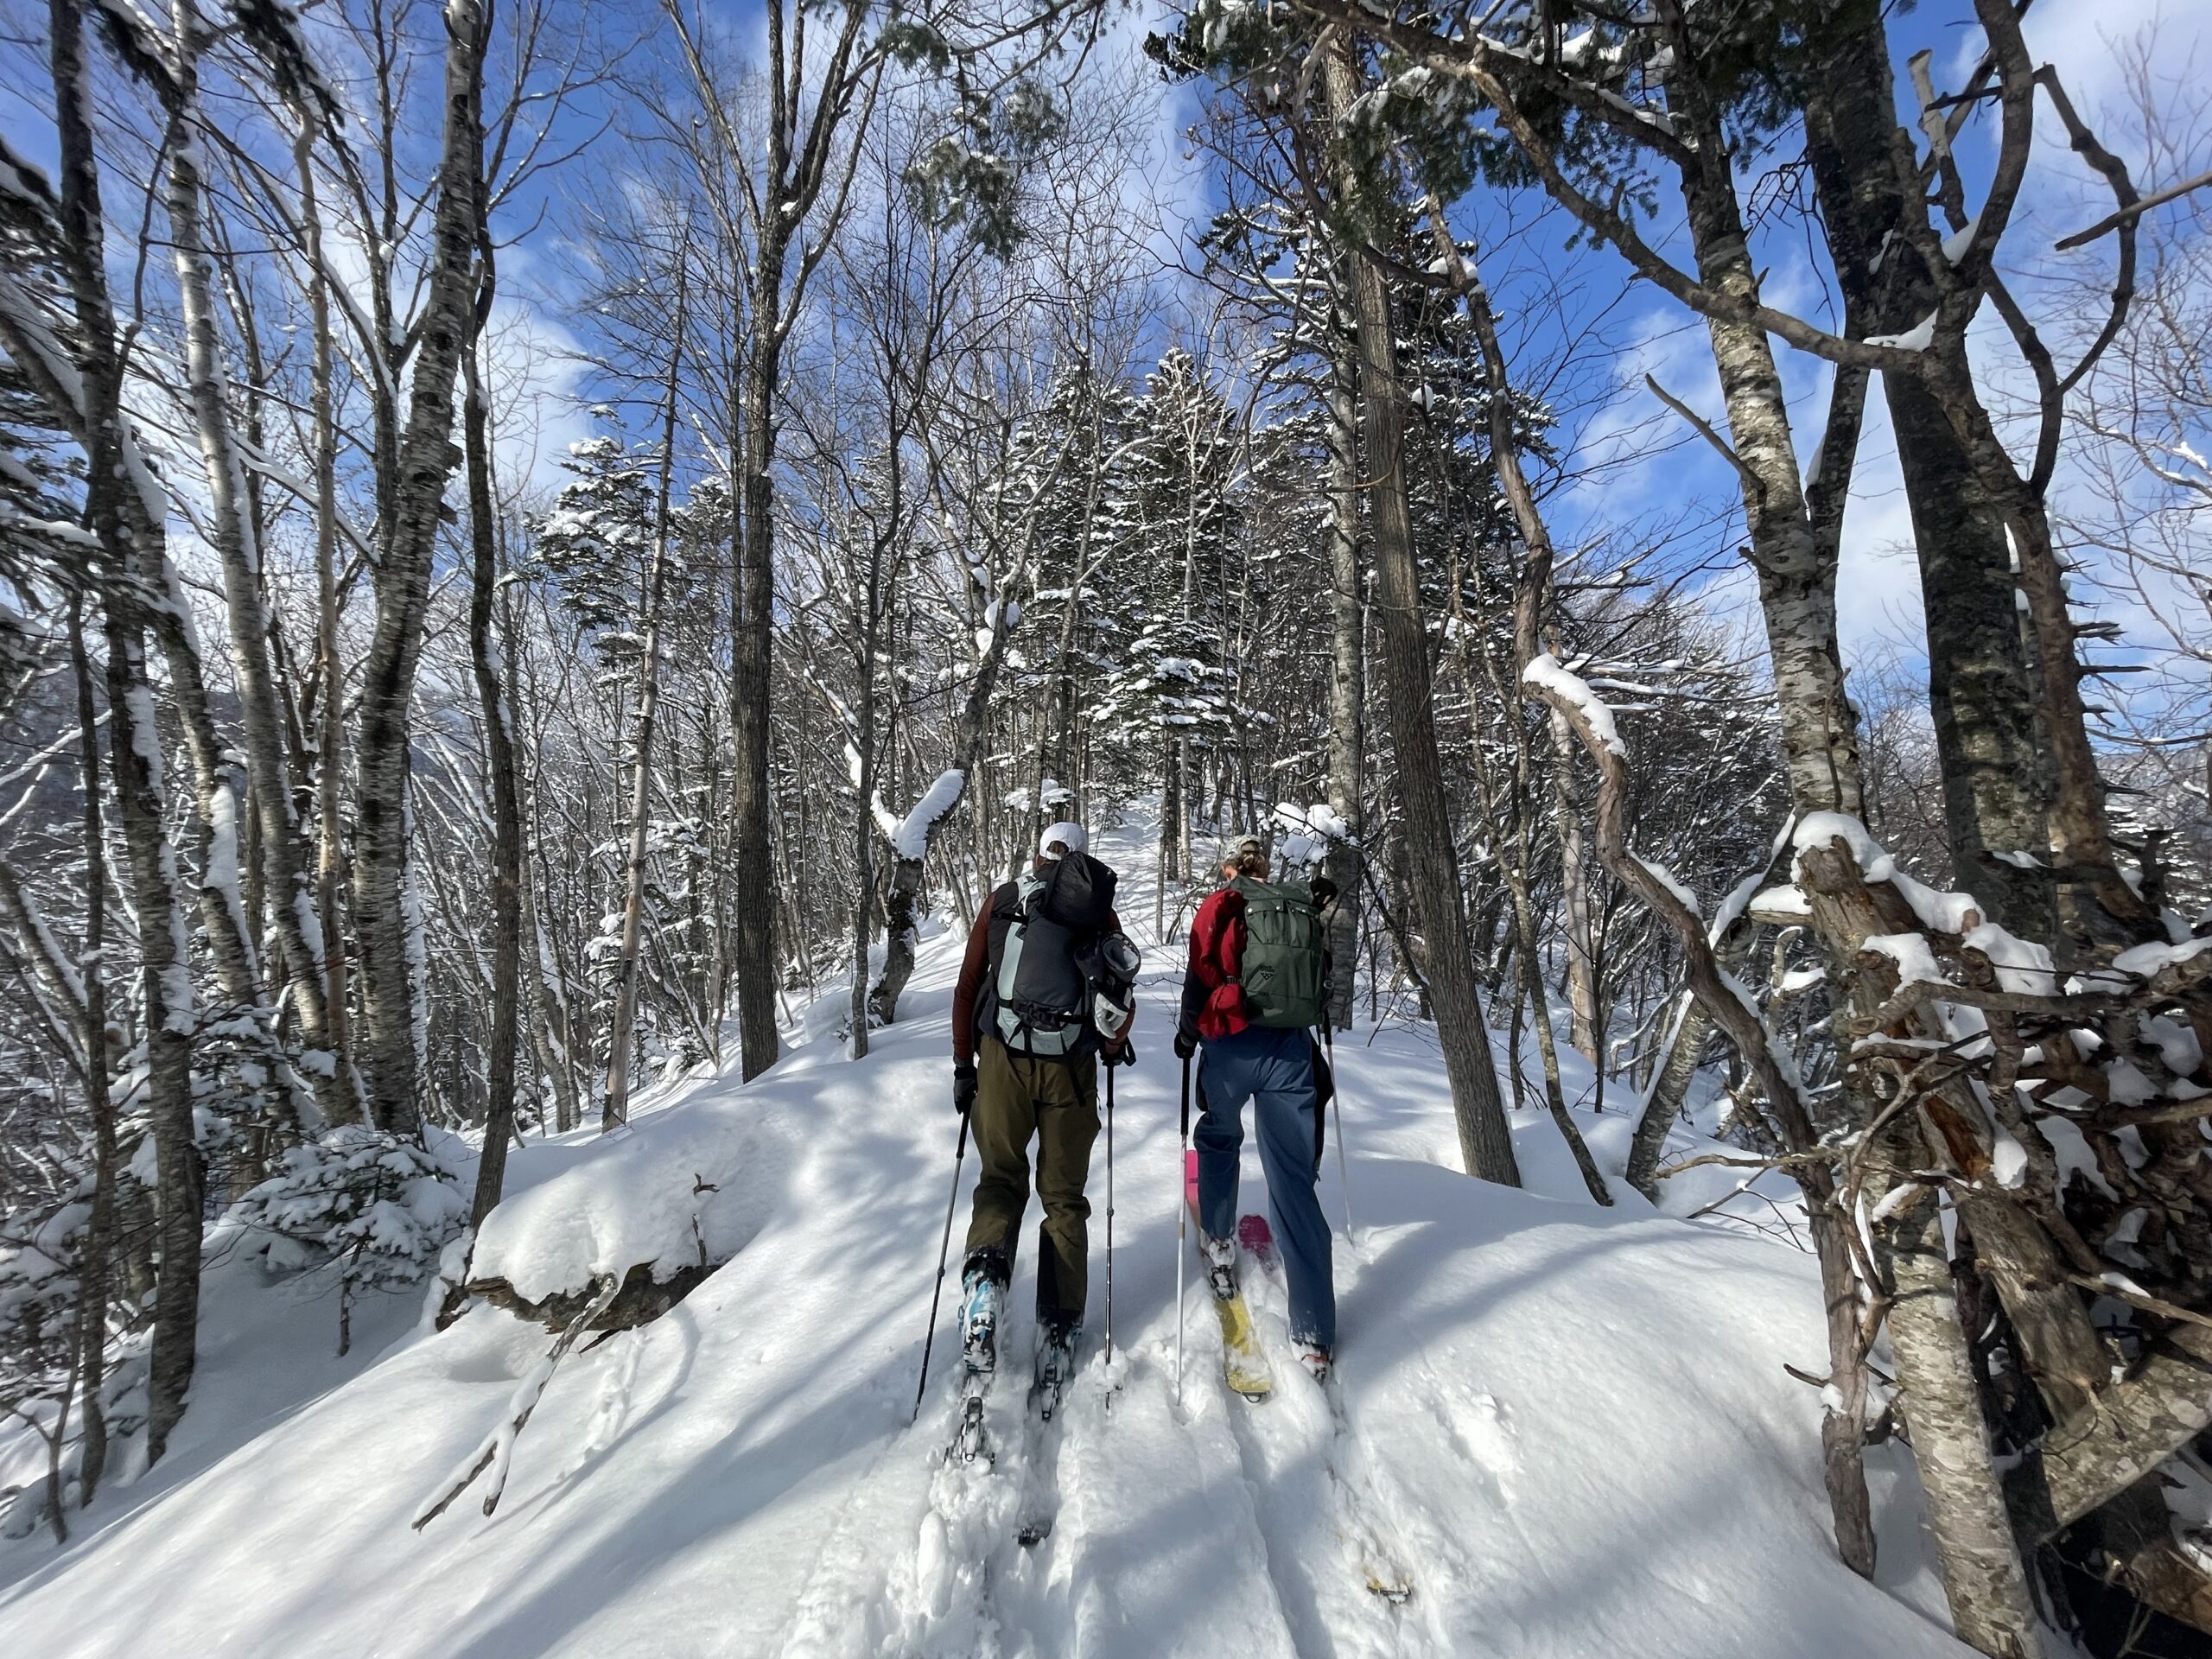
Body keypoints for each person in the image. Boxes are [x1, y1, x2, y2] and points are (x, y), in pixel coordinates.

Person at [950, 822, 1135, 1402]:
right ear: (1081, 860)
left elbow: (965, 987)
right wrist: (1109, 1046)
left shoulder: (1005, 899)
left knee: (1000, 1182)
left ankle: (983, 1291)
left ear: (1039, 853)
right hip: (1069, 1072)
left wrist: (964, 1066)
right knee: (1063, 1200)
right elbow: (1118, 1001)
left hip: (1001, 1061)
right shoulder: (1098, 914)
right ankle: (1056, 1331)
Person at [1175, 831, 1338, 1382]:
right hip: (1290, 1050)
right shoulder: (1296, 906)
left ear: (1230, 869)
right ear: (1266, 866)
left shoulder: (1223, 903)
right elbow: (1325, 977)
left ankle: (1219, 1240)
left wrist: (1186, 1033)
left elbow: (1200, 971)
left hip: (1230, 1045)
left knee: (1220, 1140)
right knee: (1293, 1177)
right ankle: (1314, 1332)